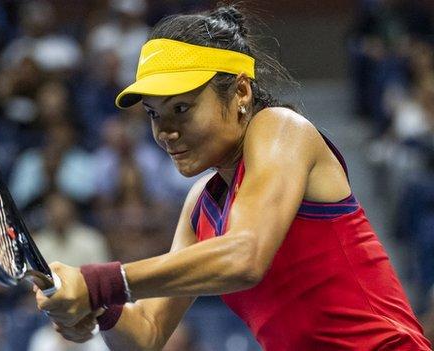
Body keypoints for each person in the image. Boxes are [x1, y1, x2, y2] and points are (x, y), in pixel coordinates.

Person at [33, 5, 432, 351]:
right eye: (155, 114)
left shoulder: (281, 129)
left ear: (241, 92)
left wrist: (99, 283)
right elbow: (149, 333)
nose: (165, 132)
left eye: (182, 108)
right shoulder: (199, 206)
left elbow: (246, 256)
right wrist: (101, 307)